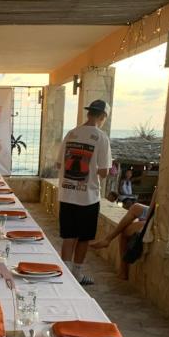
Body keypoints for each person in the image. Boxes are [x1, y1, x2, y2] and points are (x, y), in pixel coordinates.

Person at [55, 99, 112, 285]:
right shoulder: (101, 137)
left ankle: (64, 273)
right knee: (84, 238)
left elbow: (58, 164)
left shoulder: (71, 133)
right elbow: (103, 173)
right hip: (88, 197)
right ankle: (77, 275)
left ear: (89, 113)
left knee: (68, 235)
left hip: (66, 193)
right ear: (102, 116)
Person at [90, 190, 156, 279]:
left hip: (157, 221)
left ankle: (123, 270)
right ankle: (108, 239)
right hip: (154, 214)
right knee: (135, 207)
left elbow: (150, 214)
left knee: (124, 231)